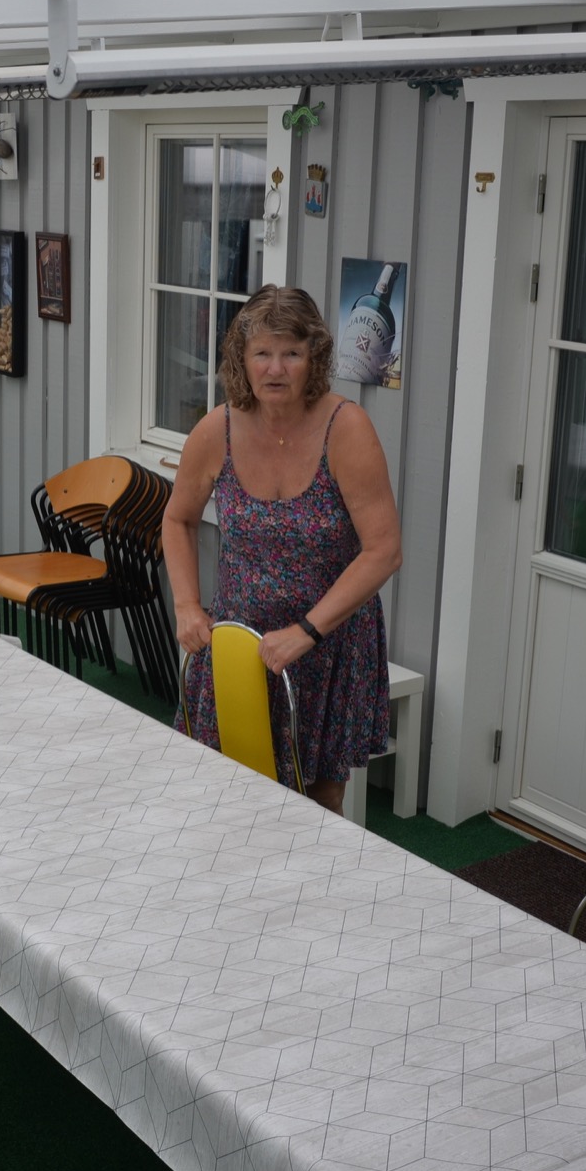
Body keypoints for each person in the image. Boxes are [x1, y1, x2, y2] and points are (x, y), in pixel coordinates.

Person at [163, 284, 401, 813]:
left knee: (317, 802)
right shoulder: (216, 430)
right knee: (220, 785)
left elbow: (383, 551)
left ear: (314, 358)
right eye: (262, 353)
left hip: (327, 641)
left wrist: (305, 632)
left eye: (291, 353)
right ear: (240, 359)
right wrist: (186, 604)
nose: (276, 369)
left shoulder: (347, 430)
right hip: (239, 642)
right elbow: (177, 519)